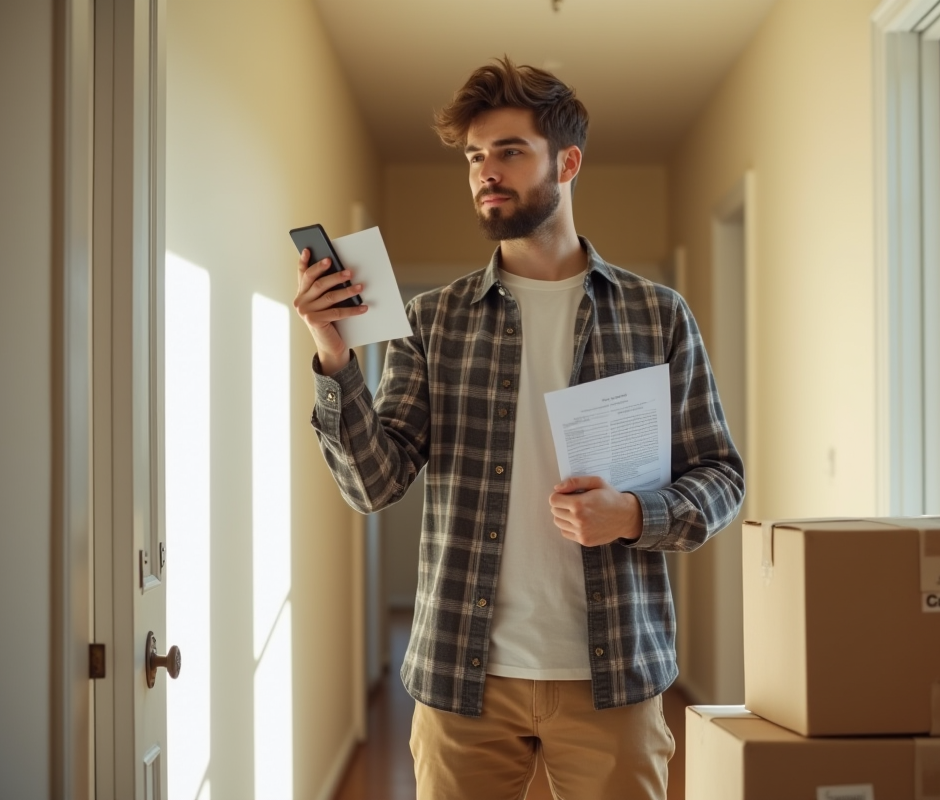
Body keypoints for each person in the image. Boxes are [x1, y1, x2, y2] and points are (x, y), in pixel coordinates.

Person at [294, 56, 744, 800]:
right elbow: (374, 485)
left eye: (508, 151)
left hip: (615, 669)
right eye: (475, 157)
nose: (485, 173)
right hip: (461, 675)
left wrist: (635, 514)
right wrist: (335, 357)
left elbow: (722, 477)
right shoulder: (431, 321)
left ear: (567, 162)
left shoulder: (656, 315)